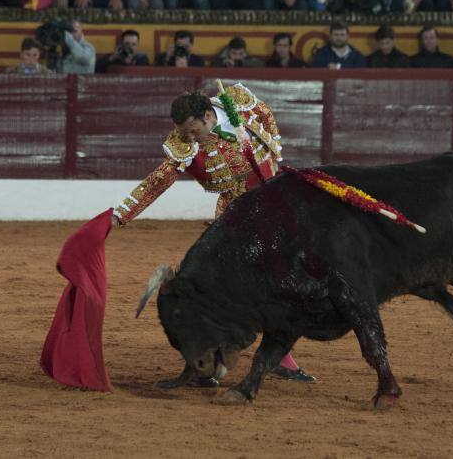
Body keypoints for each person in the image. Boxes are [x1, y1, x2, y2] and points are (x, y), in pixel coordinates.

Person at [111, 85, 317, 386]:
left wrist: (272, 168)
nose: (189, 138)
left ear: (209, 115)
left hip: (277, 209)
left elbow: (268, 122)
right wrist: (122, 214)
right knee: (229, 292)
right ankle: (208, 361)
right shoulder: (184, 144)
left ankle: (270, 358)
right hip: (235, 219)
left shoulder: (241, 104)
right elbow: (158, 181)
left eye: (194, 130)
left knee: (284, 287)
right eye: (185, 133)